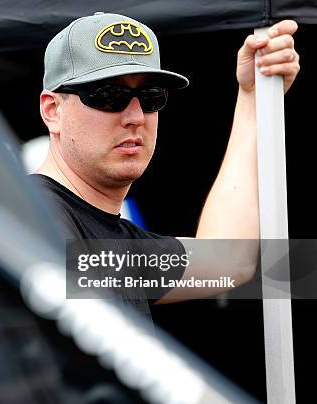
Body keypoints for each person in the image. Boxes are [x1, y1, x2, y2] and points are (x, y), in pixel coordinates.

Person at [32, 13, 300, 314]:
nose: (135, 117)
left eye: (150, 97)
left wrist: (252, 98)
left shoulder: (114, 245)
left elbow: (227, 260)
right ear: (52, 110)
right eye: (109, 96)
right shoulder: (31, 216)